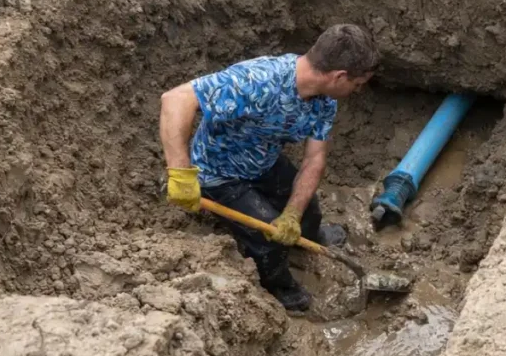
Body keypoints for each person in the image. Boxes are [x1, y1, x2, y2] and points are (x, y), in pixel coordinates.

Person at [158, 24, 379, 314]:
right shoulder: (258, 81)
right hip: (220, 173)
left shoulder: (325, 100)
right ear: (339, 76)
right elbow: (175, 99)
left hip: (263, 160)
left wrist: (292, 215)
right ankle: (277, 285)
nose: (357, 91)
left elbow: (314, 159)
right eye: (357, 84)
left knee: (308, 210)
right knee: (267, 238)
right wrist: (180, 175)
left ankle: (309, 238)